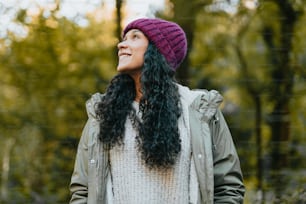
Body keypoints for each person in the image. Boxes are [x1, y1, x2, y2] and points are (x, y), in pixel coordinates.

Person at [69, 18, 245, 204]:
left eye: (135, 37)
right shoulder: (103, 114)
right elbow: (82, 190)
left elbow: (228, 188)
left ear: (158, 51)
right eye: (124, 38)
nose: (121, 45)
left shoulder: (201, 110)